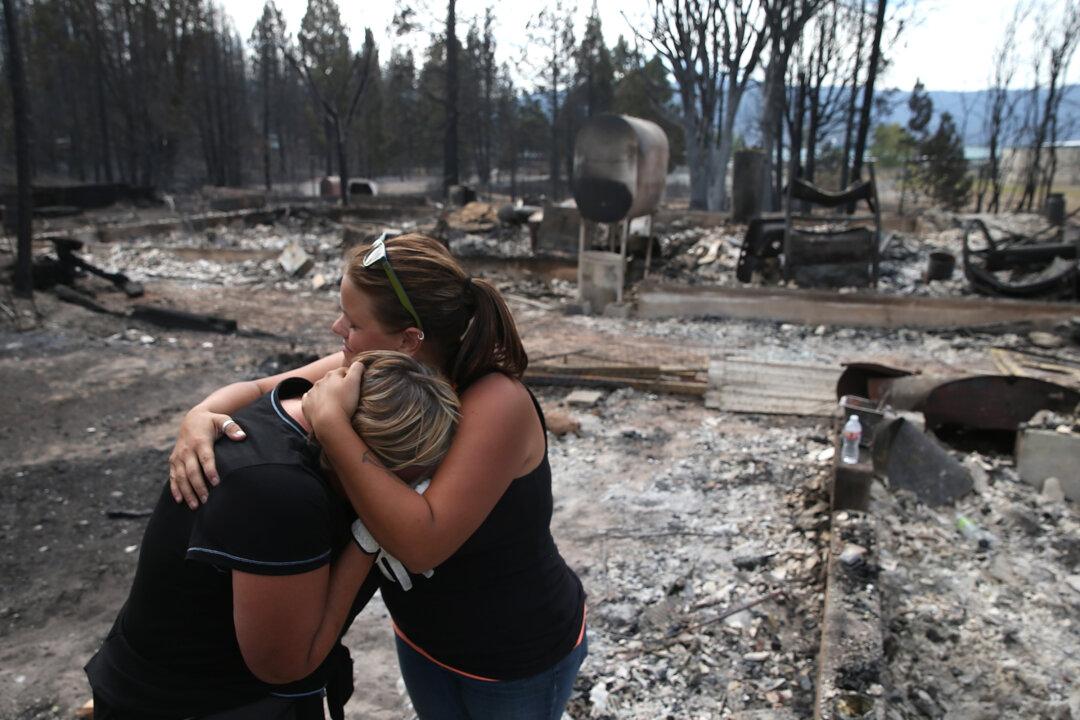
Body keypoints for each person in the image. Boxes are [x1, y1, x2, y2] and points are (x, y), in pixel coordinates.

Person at [171, 232, 587, 720]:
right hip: (425, 639)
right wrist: (201, 414)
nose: (337, 328)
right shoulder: (375, 365)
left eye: (353, 322)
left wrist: (332, 426)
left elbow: (422, 543)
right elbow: (260, 388)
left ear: (409, 339)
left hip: (515, 656)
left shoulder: (496, 401)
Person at [86, 350, 460, 720]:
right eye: (408, 484)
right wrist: (368, 538)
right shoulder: (282, 494)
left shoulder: (290, 411)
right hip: (194, 704)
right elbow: (286, 665)